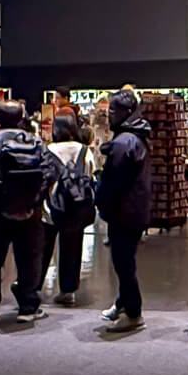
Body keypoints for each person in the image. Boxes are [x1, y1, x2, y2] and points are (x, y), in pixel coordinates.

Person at [0, 100, 60, 327]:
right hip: (30, 214)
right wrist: (34, 201)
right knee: (29, 260)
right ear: (23, 118)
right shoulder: (37, 144)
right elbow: (50, 173)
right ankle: (28, 307)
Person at [95, 89, 153, 334]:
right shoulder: (134, 137)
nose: (109, 116)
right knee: (124, 261)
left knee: (123, 263)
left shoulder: (124, 142)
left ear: (126, 112)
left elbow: (113, 182)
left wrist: (101, 199)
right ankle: (122, 303)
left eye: (112, 111)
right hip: (134, 209)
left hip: (125, 211)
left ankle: (133, 312)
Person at [40, 113, 98, 307]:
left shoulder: (48, 150)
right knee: (72, 248)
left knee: (43, 247)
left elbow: (43, 178)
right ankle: (68, 290)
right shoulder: (84, 150)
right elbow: (91, 175)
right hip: (76, 206)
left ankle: (35, 286)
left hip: (52, 207)